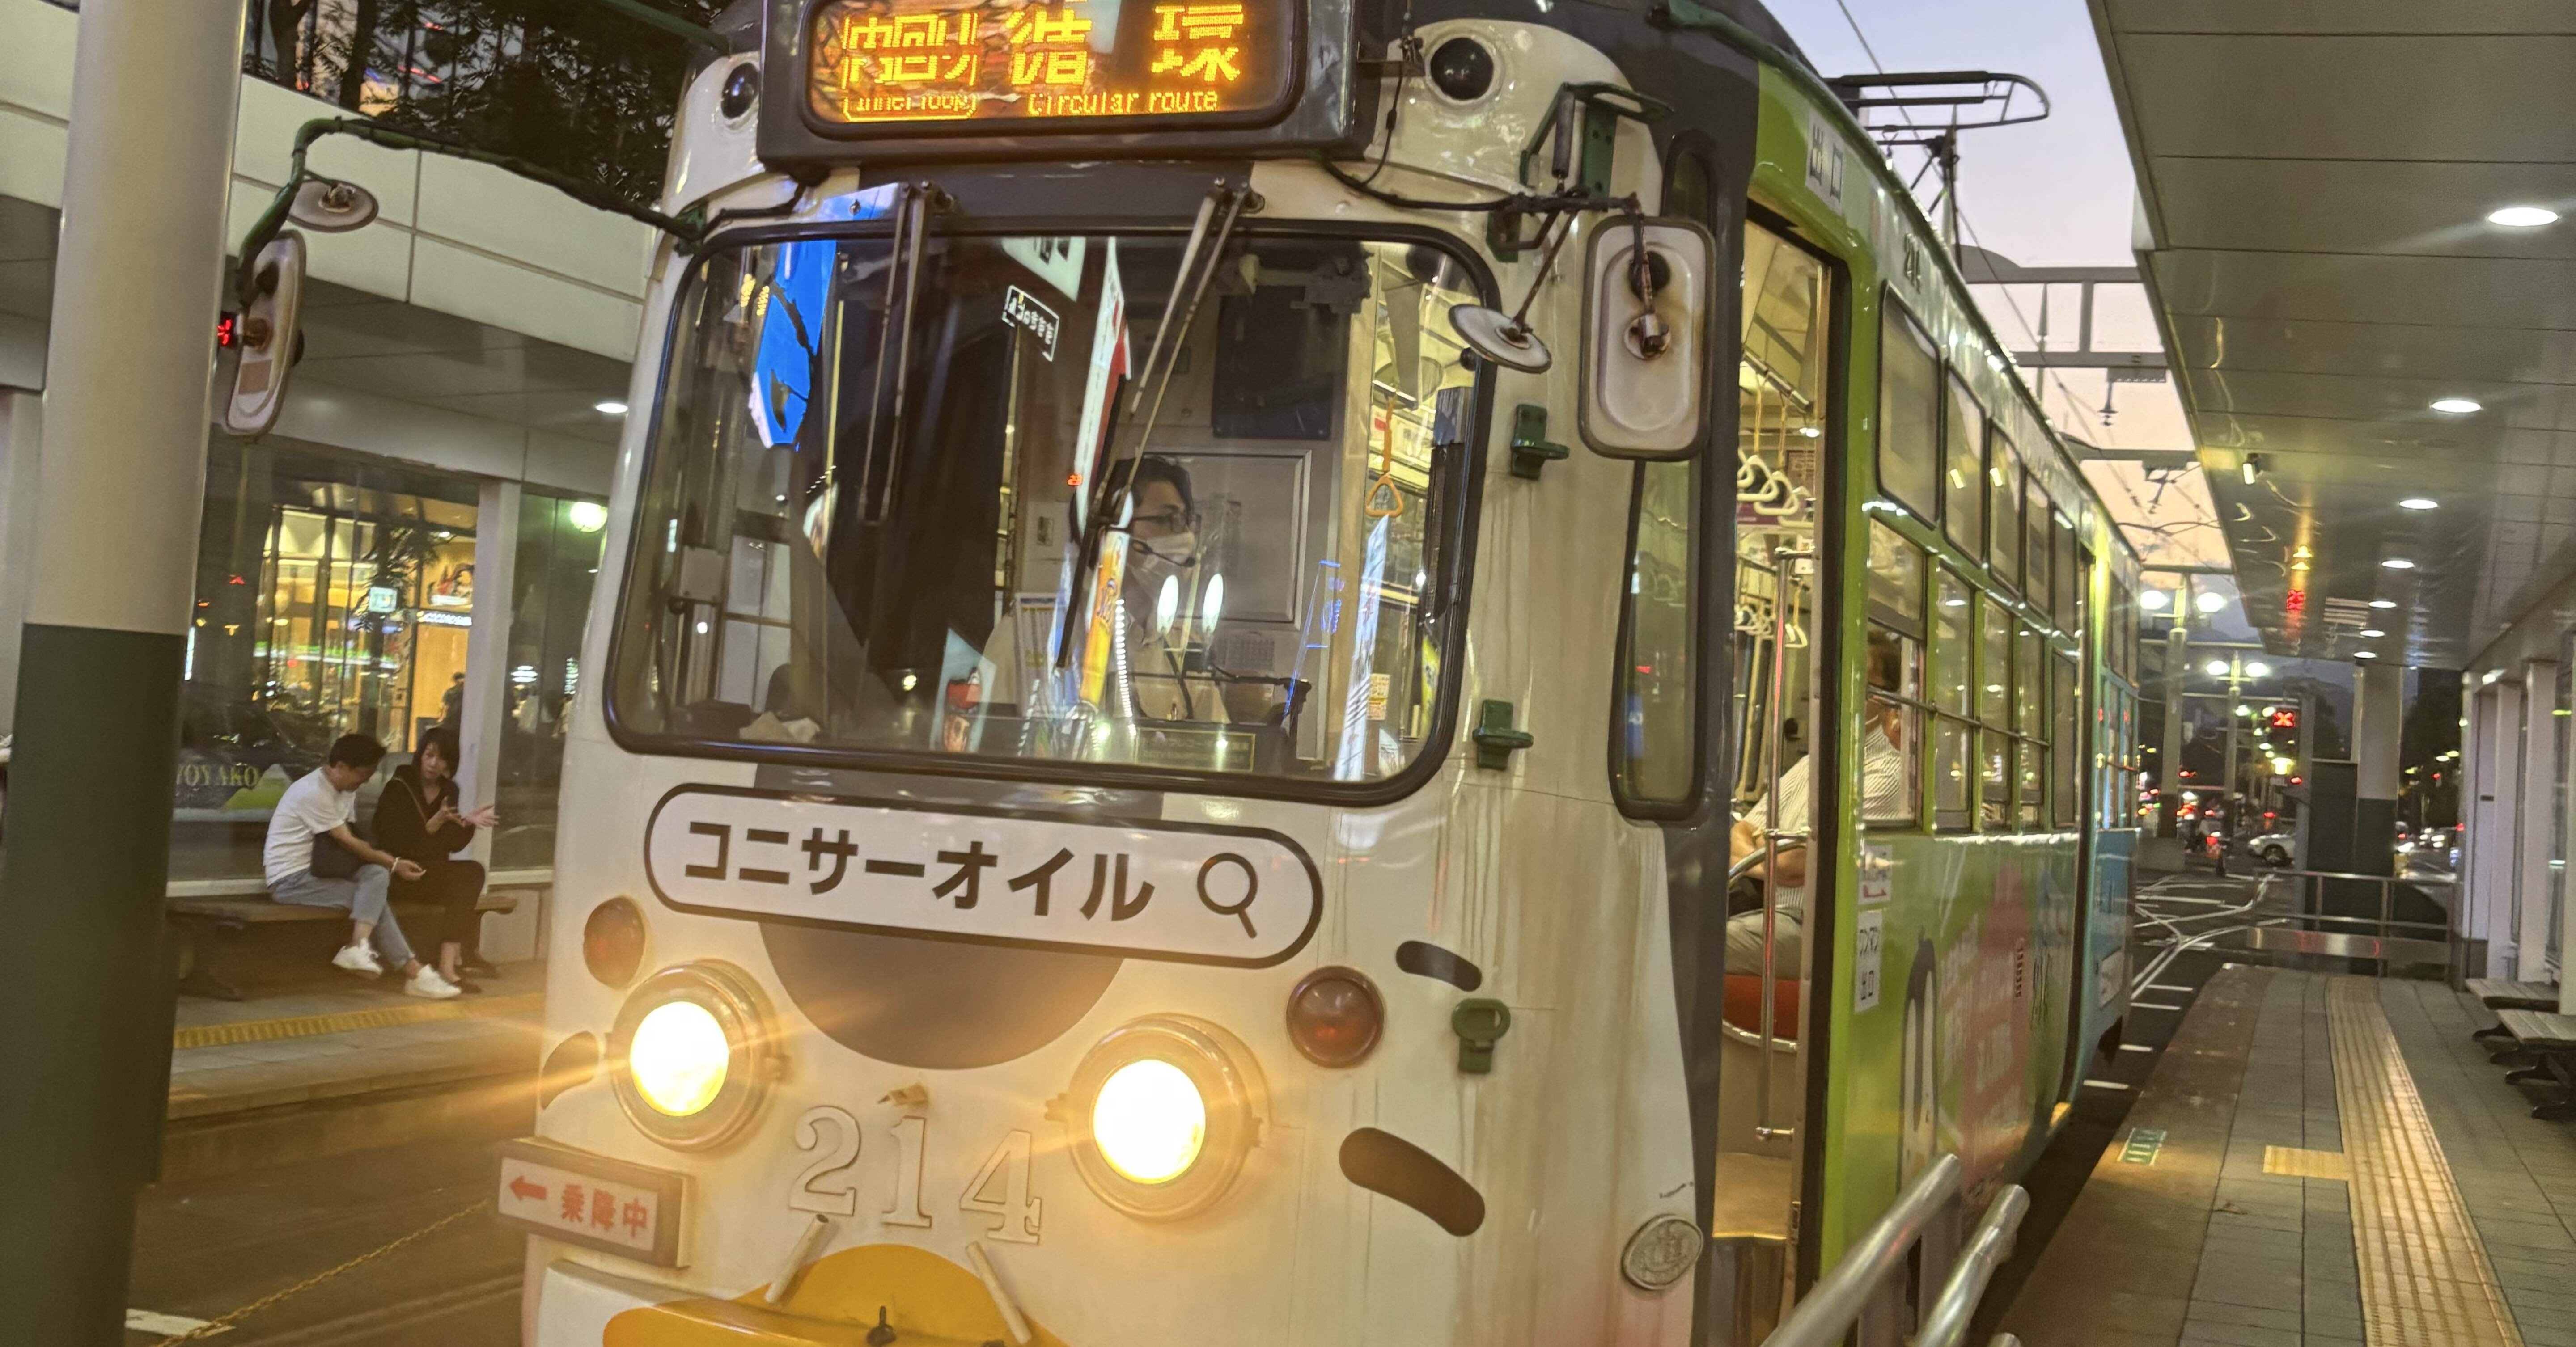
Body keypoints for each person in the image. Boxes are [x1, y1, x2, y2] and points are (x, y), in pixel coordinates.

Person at [1724, 639, 1910, 975]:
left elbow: (1797, 865)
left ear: (1888, 699)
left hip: (1818, 927)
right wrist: (1774, 856)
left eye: (1860, 683)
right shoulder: (1813, 762)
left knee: (1694, 940)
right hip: (1773, 910)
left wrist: (1762, 849)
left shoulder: (1888, 773)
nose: (1843, 692)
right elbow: (1742, 831)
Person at [264, 734, 458, 999]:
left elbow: (352, 838)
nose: (366, 781)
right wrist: (395, 863)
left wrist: (388, 864)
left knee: (376, 876)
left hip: (321, 872)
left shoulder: (346, 791)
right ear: (341, 767)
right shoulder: (313, 792)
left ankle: (359, 948)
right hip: (290, 881)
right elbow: (348, 842)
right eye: (363, 774)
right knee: (372, 899)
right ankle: (413, 972)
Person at [373, 727, 500, 992]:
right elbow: (395, 843)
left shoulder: (448, 790)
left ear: (450, 763)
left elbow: (451, 844)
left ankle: (448, 965)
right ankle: (451, 965)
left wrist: (468, 823)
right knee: (462, 882)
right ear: (420, 755)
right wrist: (435, 823)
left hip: (429, 872)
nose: (434, 764)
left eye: (442, 758)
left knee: (473, 873)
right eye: (429, 755)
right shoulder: (399, 787)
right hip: (398, 874)